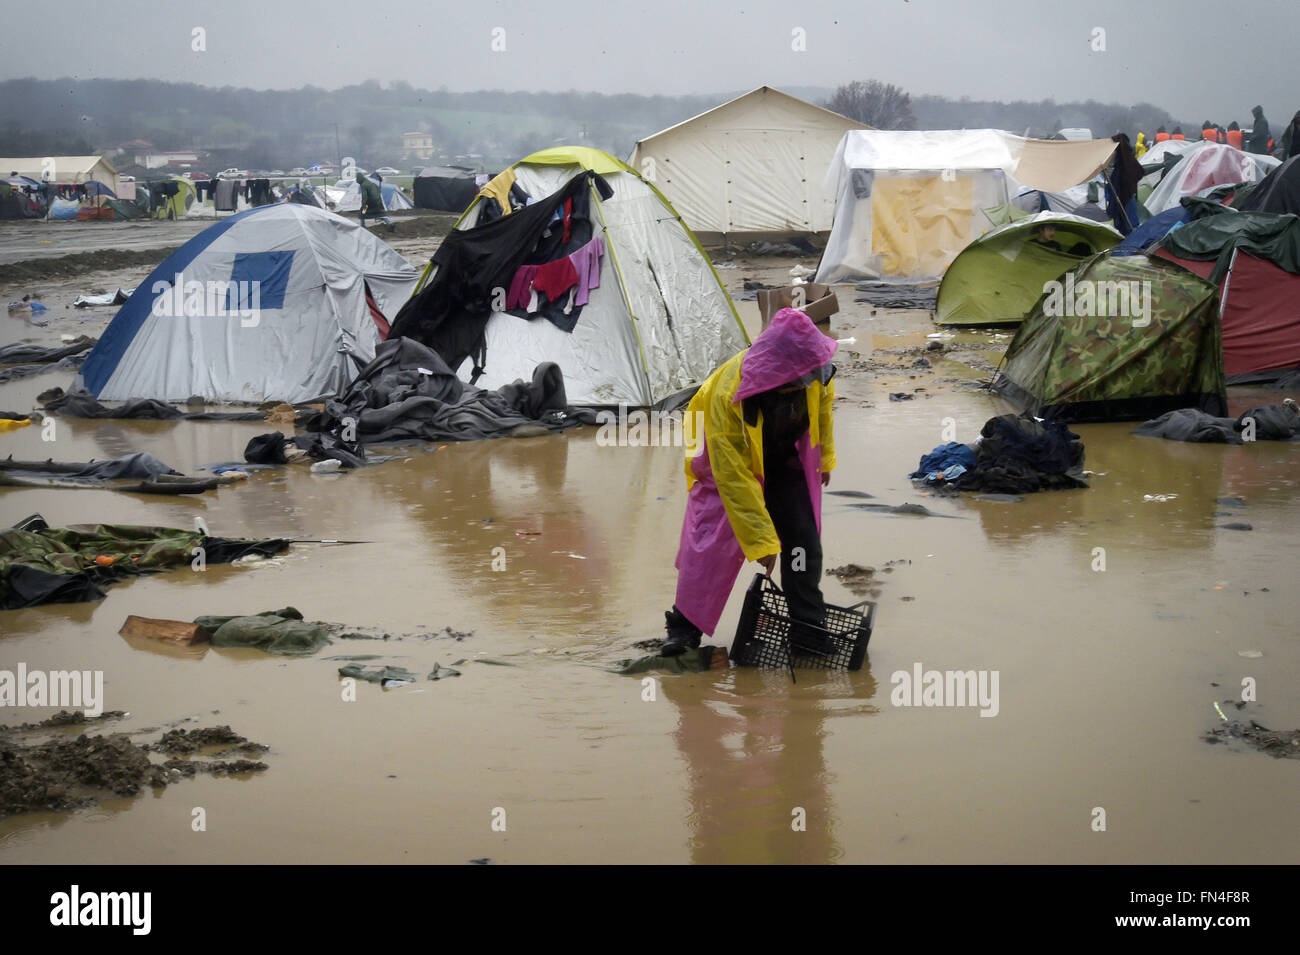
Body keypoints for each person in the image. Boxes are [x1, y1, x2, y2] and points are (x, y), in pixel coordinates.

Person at [662, 307, 838, 657]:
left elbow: (821, 416)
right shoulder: (728, 394)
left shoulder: (816, 373)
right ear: (780, 374)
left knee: (802, 546)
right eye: (797, 383)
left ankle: (807, 629)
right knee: (709, 549)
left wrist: (826, 460)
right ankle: (683, 629)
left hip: (784, 460)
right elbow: (734, 478)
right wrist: (761, 542)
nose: (807, 385)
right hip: (721, 463)